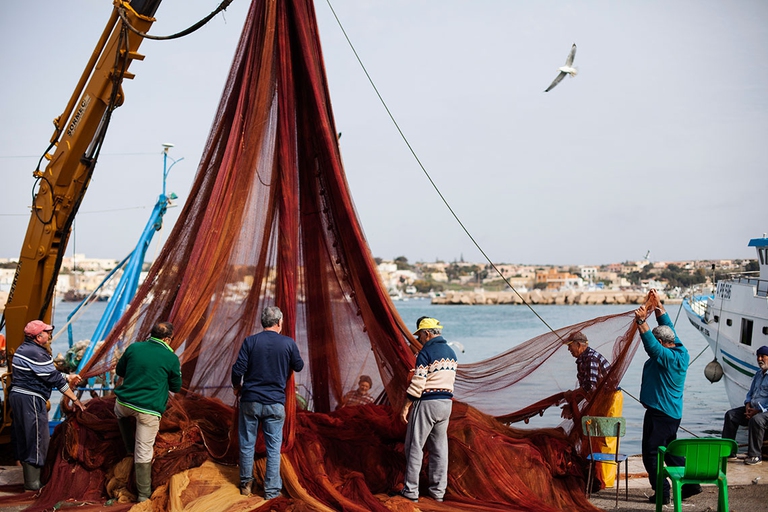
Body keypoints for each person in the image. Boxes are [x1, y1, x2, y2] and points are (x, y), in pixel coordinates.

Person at [231, 306, 304, 499]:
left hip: (250, 400)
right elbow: (299, 365)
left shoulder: (250, 342)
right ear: (279, 322)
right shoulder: (288, 343)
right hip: (275, 403)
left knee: (247, 444)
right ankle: (271, 491)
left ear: (262, 322)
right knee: (273, 448)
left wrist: (236, 387)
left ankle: (246, 485)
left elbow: (237, 369)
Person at [635, 290, 700, 504]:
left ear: (662, 342)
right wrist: (659, 307)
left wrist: (641, 321)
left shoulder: (667, 357)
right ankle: (690, 485)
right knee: (671, 451)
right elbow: (670, 331)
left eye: (657, 340)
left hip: (660, 414)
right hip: (672, 415)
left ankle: (662, 493)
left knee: (652, 454)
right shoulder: (681, 351)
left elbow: (652, 348)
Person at [9, 320, 85, 490]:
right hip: (31, 400)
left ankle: (31, 481)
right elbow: (54, 379)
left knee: (25, 437)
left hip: (18, 396)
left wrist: (68, 377)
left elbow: (45, 373)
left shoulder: (24, 349)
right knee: (37, 438)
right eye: (47, 332)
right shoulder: (37, 353)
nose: (49, 335)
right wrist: (76, 400)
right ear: (38, 336)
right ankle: (33, 483)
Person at [114, 321, 182, 502]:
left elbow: (120, 370)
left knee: (119, 412)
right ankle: (143, 496)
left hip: (124, 404)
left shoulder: (134, 347)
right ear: (167, 339)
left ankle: (128, 447)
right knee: (143, 451)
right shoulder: (171, 357)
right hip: (148, 411)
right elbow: (176, 386)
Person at [396, 317, 458, 503]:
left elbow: (418, 382)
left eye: (420, 336)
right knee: (439, 449)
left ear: (427, 333)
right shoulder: (451, 352)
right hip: (446, 405)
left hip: (427, 404)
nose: (420, 339)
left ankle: (411, 492)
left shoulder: (426, 352)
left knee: (414, 447)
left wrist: (406, 406)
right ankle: (438, 493)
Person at [563, 331, 623, 488]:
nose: (569, 350)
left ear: (579, 345)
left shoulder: (590, 358)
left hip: (609, 400)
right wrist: (572, 404)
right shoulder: (582, 359)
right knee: (591, 436)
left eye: (570, 346)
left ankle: (601, 478)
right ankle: (594, 476)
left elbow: (591, 387)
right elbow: (588, 390)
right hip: (600, 400)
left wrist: (573, 398)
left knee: (602, 438)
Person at [721, 345, 768, 465]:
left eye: (763, 356)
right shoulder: (758, 374)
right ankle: (728, 453)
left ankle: (755, 456)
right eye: (758, 356)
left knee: (757, 420)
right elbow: (750, 393)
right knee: (731, 415)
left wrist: (758, 412)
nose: (759, 359)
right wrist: (747, 405)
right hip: (753, 409)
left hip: (764, 412)